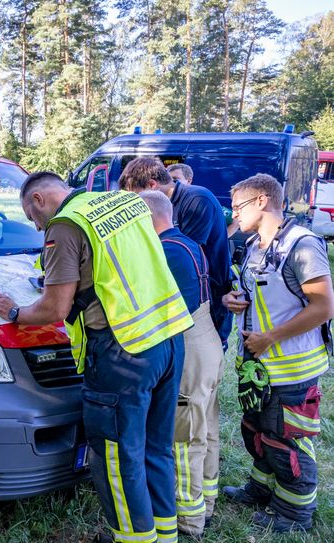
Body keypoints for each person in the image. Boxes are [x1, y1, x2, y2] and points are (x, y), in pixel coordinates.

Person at [0, 172, 191, 543]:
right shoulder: (123, 201)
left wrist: (15, 312)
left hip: (123, 352)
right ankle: (164, 536)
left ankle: (133, 539)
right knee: (155, 448)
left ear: (37, 200)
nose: (38, 229)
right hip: (170, 337)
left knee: (117, 459)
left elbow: (55, 308)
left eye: (34, 220)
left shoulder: (66, 225)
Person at [221, 174, 334, 533]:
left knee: (287, 439)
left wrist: (270, 337)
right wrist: (233, 301)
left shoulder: (301, 244)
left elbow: (324, 306)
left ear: (262, 201)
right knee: (257, 432)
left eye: (237, 206)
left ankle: (295, 513)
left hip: (291, 370)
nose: (233, 214)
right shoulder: (255, 245)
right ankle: (261, 489)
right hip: (258, 368)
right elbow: (260, 295)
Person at [140, 190, 224, 537]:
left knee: (183, 435)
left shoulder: (166, 250)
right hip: (209, 341)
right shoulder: (188, 243)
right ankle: (207, 502)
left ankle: (188, 517)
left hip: (189, 346)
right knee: (206, 427)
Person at [120, 158, 232, 345]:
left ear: (152, 185)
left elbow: (185, 256)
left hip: (208, 299)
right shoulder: (164, 204)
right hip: (179, 297)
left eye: (135, 197)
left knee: (201, 363)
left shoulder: (197, 199)